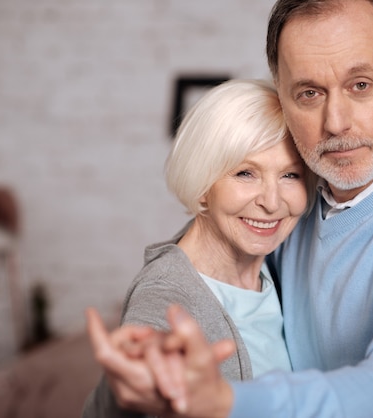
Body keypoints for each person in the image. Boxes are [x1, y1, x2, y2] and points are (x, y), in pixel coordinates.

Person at [89, 0, 373, 417]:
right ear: (283, 98)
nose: (336, 122)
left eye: (360, 85)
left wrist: (225, 402)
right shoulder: (296, 209)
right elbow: (209, 262)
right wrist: (149, 357)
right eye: (309, 93)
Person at [81, 79, 315, 417]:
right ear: (203, 183)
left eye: (290, 176)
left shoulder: (281, 264)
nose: (271, 201)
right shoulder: (166, 294)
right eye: (246, 173)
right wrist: (129, 390)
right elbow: (134, 384)